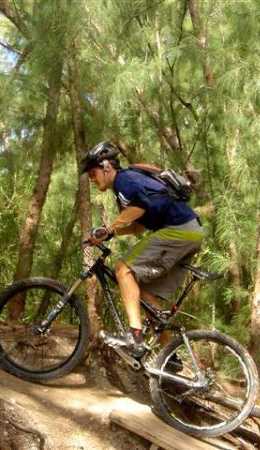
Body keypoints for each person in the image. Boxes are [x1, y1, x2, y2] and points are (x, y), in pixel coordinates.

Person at [82, 141, 204, 357]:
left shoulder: (124, 180)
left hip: (179, 230)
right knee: (146, 295)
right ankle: (170, 357)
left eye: (93, 172)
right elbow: (139, 225)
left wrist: (109, 227)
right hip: (191, 232)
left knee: (123, 268)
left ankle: (134, 336)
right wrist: (111, 233)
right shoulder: (127, 187)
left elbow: (140, 207)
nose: (92, 179)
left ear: (106, 166)